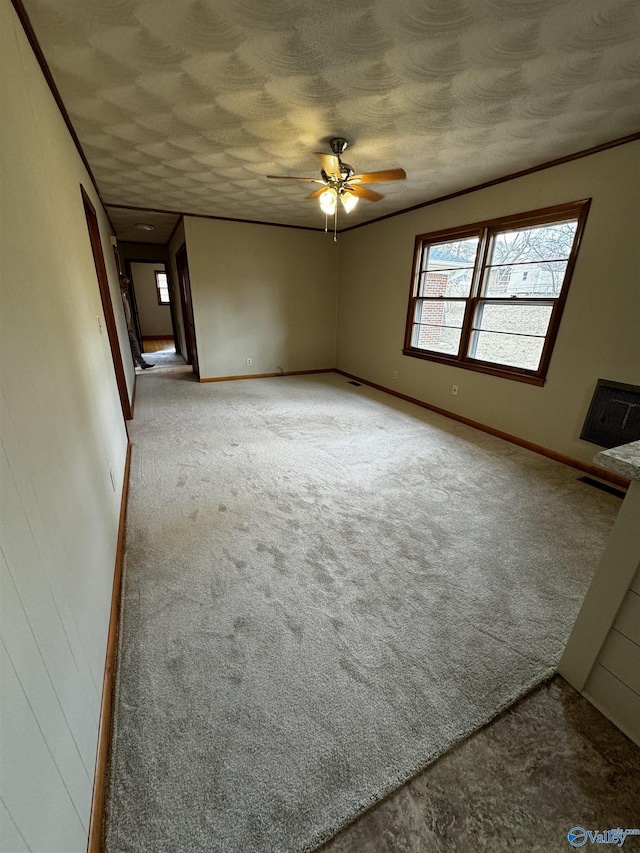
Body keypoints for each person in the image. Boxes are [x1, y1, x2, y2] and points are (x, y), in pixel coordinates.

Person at [120, 277, 154, 369]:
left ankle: (141, 363)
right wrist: (126, 324)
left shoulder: (123, 296)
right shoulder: (118, 297)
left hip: (127, 325)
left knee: (134, 344)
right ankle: (141, 363)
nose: (126, 286)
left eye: (126, 284)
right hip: (125, 326)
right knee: (134, 344)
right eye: (124, 284)